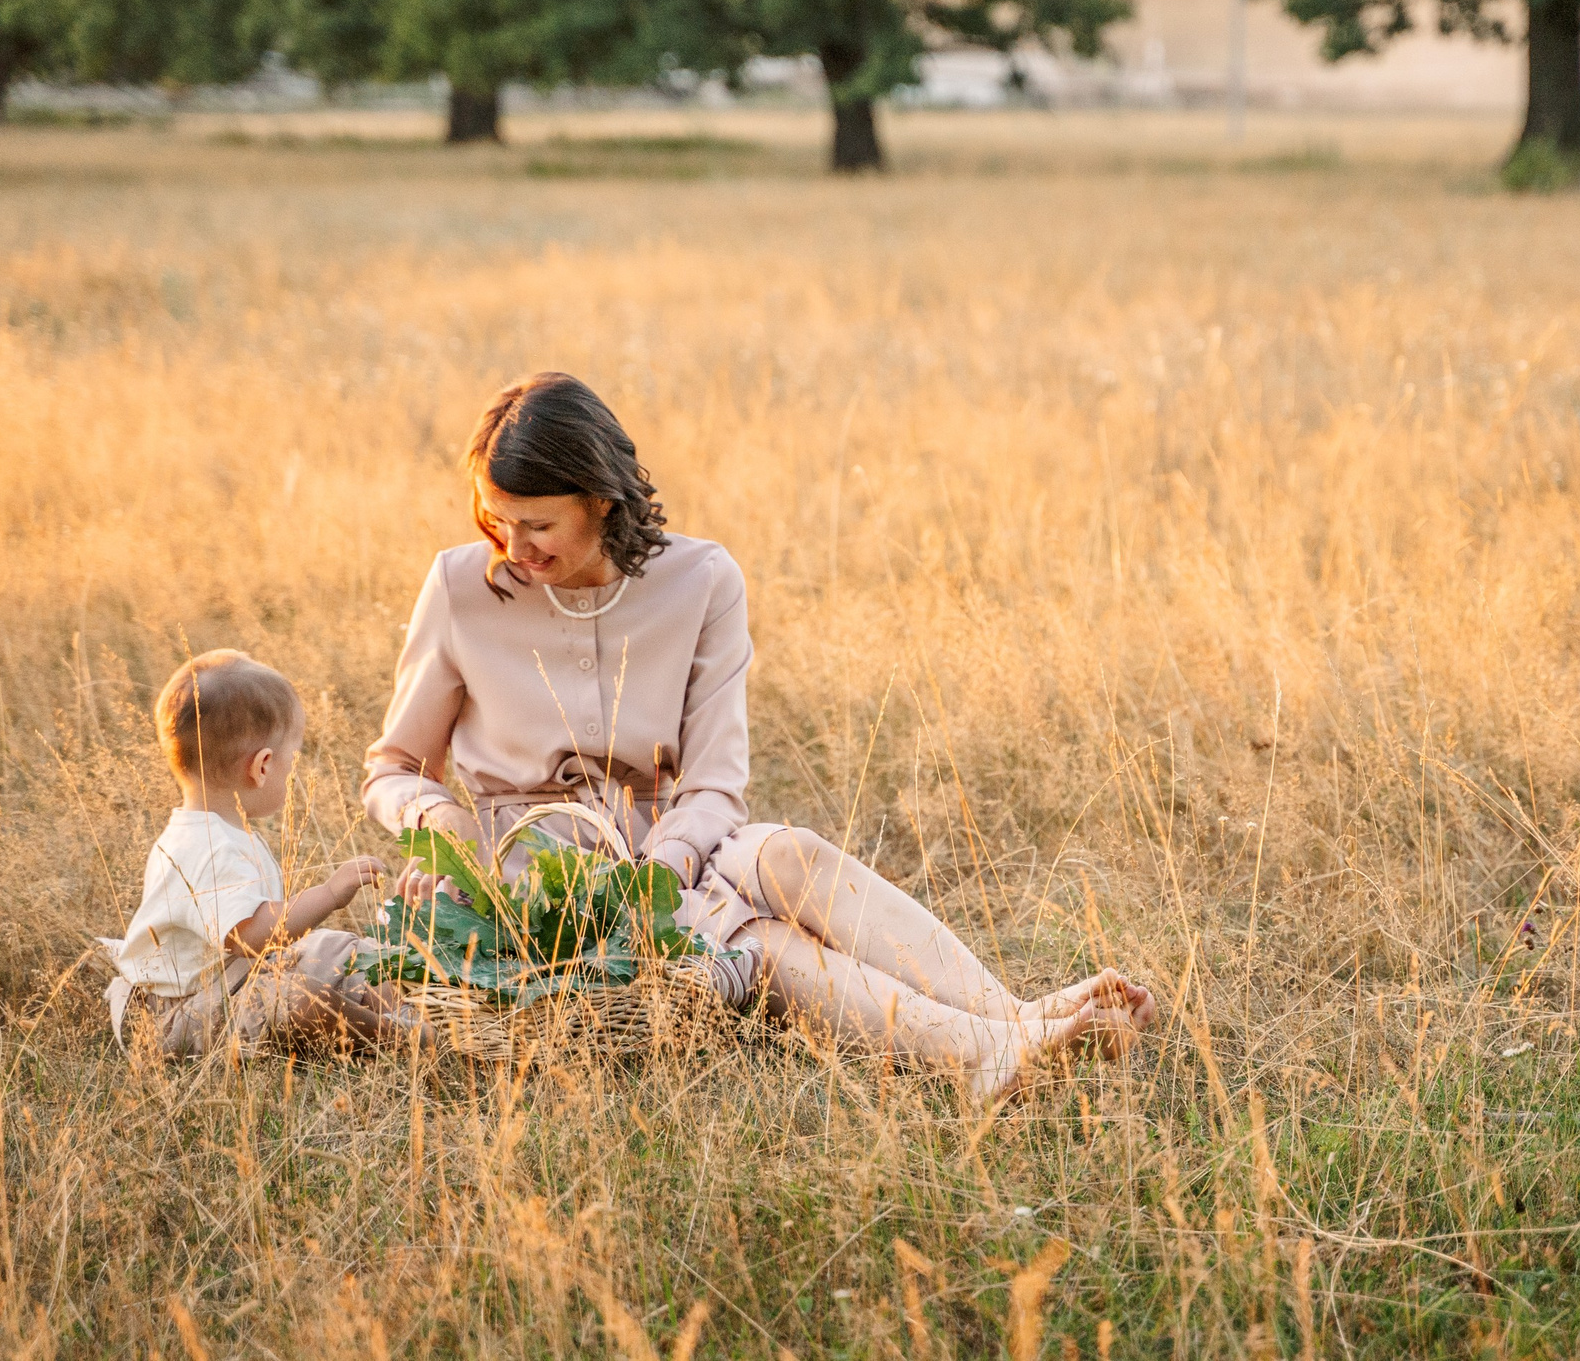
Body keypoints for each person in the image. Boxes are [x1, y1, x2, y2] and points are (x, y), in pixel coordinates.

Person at [367, 372, 1154, 1100]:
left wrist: (664, 868)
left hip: (681, 847)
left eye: (536, 523)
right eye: (494, 519)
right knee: (762, 943)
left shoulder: (703, 580)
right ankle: (984, 1052)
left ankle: (1012, 1015)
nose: (512, 545)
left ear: (601, 499)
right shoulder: (458, 587)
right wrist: (448, 828)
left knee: (791, 854)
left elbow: (714, 784)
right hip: (543, 884)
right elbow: (393, 768)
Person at [101, 650, 418, 1057]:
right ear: (262, 767)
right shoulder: (206, 847)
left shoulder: (225, 828)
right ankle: (401, 1037)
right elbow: (252, 936)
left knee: (341, 949)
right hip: (177, 1010)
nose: (293, 771)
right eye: (292, 759)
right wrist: (329, 894)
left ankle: (406, 1005)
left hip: (240, 975)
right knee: (297, 1002)